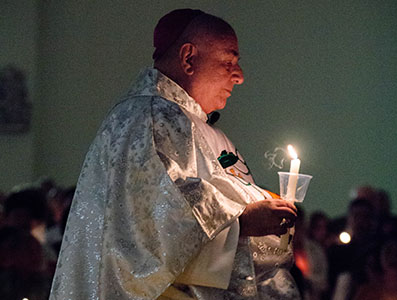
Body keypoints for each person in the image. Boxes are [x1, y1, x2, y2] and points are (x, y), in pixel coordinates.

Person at [49, 9, 299, 299]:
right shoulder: (148, 116)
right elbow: (150, 221)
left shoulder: (190, 122)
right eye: (229, 61)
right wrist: (242, 221)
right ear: (189, 58)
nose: (240, 76)